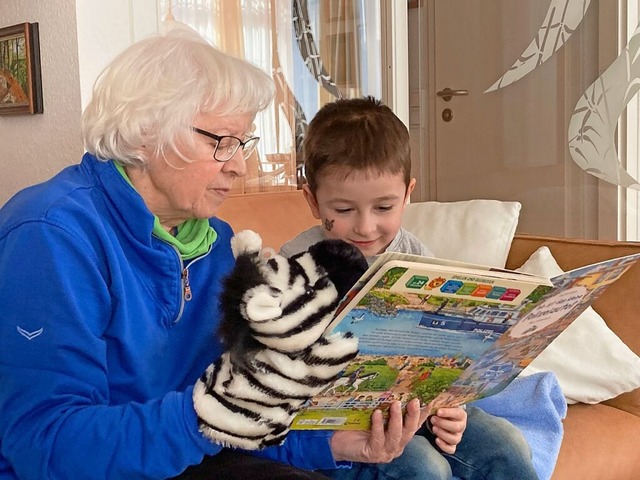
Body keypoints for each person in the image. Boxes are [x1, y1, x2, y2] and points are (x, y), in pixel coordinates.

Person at [0, 30, 427, 480]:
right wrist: (207, 415)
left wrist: (331, 443)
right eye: (221, 141)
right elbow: (45, 443)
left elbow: (244, 400)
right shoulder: (51, 235)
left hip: (188, 456)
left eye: (243, 144)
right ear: (146, 133)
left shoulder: (218, 243)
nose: (239, 165)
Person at [280, 96, 539, 480]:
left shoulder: (415, 254)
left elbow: (449, 352)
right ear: (313, 200)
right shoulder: (295, 264)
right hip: (341, 424)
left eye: (384, 208)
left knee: (507, 445)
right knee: (423, 468)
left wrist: (453, 405)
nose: (366, 227)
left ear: (408, 194)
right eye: (344, 210)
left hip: (417, 404)